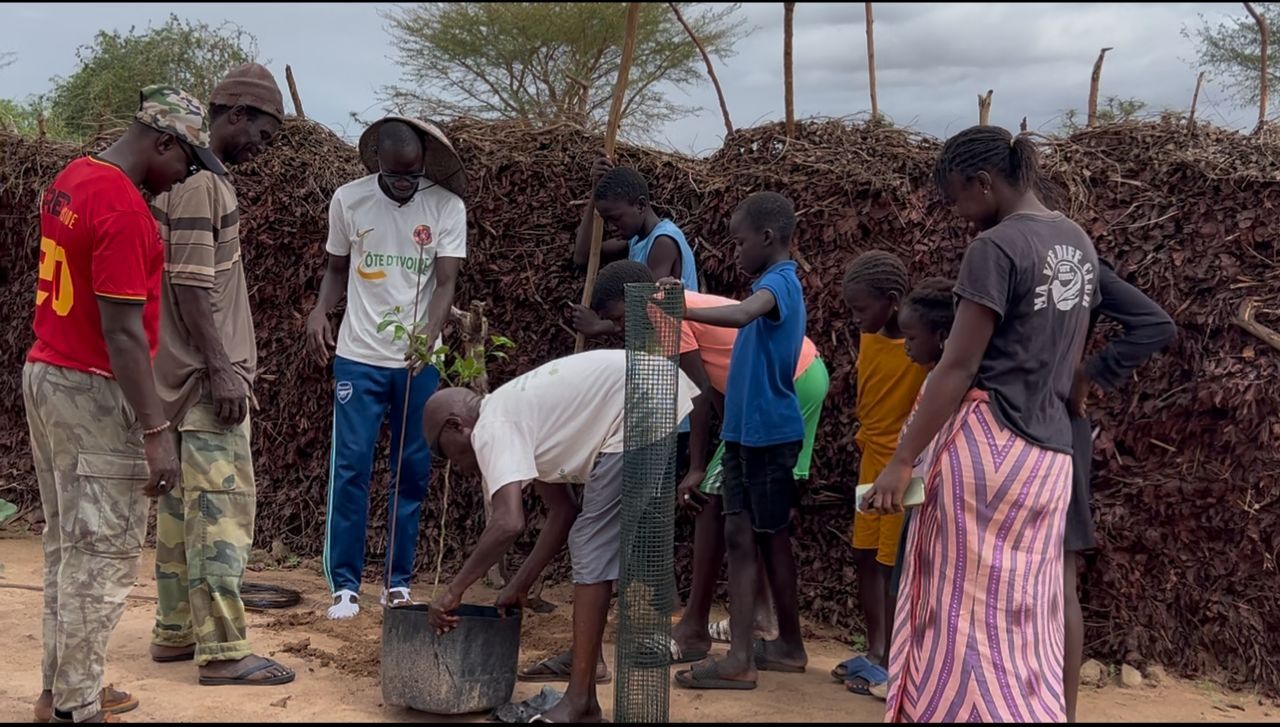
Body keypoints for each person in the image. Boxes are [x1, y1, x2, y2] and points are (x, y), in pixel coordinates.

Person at [868, 125, 1099, 723]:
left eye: (957, 200)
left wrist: (900, 462)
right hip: (1049, 461)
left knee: (957, 620)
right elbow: (1069, 360)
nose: (959, 215)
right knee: (1025, 621)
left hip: (988, 454)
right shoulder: (1077, 241)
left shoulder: (995, 248)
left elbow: (957, 365)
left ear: (983, 182)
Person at [26, 85, 224, 724]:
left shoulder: (76, 176)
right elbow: (122, 335)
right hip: (90, 390)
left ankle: (63, 688)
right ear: (163, 141)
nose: (183, 179)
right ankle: (78, 706)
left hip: (47, 373)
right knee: (104, 555)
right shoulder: (122, 211)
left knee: (65, 546)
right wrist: (156, 430)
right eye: (187, 163)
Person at [422, 349, 698, 723]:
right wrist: (519, 586)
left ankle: (581, 700)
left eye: (446, 453)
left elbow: (507, 522)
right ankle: (589, 662)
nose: (454, 464)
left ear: (458, 425)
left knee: (590, 542)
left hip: (641, 401)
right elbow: (562, 511)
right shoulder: (515, 418)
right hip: (650, 392)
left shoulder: (492, 426)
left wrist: (453, 591)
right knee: (587, 537)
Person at [585, 259, 830, 660]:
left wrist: (698, 465)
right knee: (752, 513)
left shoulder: (661, 312)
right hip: (800, 374)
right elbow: (716, 387)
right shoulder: (665, 305)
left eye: (617, 317)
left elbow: (696, 390)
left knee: (713, 502)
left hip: (788, 384)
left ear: (633, 300)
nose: (622, 327)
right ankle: (761, 620)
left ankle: (694, 628)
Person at [147, 64, 295, 687]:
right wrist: (224, 370)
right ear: (234, 113)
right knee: (221, 517)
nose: (265, 143)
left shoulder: (175, 180)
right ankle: (226, 653)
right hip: (210, 385)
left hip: (174, 380)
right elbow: (192, 284)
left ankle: (174, 632)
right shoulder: (205, 184)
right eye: (262, 129)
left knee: (180, 516)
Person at [306, 116, 468, 620]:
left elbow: (445, 283)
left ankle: (398, 582)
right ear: (377, 161)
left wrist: (428, 335)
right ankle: (346, 586)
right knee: (350, 468)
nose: (405, 185)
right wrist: (318, 310)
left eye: (413, 175)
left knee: (413, 469)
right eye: (397, 176)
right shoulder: (348, 200)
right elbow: (336, 270)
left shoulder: (445, 205)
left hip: (418, 361)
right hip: (358, 356)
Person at [672, 191, 808, 690]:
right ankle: (784, 648)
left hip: (769, 435)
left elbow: (743, 314)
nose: (735, 252)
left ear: (767, 238)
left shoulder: (781, 283)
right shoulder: (771, 282)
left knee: (755, 537)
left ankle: (743, 660)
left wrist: (680, 304)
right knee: (748, 536)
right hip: (748, 434)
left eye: (739, 242)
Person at [1062, 264, 1175, 722]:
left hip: (1041, 424)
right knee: (1058, 578)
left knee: (1058, 577)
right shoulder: (1076, 260)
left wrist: (1090, 372)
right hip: (1059, 426)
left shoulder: (1066, 262)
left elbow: (1157, 324)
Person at [832, 251, 928, 695]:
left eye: (861, 309)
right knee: (865, 554)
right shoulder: (871, 335)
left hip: (901, 471)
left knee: (893, 564)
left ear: (892, 301)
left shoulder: (919, 348)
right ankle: (875, 651)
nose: (855, 319)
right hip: (870, 461)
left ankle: (895, 661)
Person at [864, 277, 956, 702]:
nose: (906, 345)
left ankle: (911, 677)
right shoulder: (932, 379)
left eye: (913, 337)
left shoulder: (948, 387)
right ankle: (902, 671)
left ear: (942, 337)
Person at [571, 157, 698, 339]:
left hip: (681, 346)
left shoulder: (663, 242)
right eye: (607, 221)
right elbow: (583, 256)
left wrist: (598, 326)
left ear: (640, 205)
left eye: (615, 219)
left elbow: (649, 313)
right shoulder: (635, 240)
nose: (612, 227)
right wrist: (594, 193)